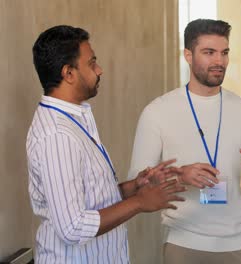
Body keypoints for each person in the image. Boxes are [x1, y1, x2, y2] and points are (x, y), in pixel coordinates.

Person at [27, 25, 186, 263]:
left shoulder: (72, 120)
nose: (99, 70)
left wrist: (134, 187)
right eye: (91, 63)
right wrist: (140, 202)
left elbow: (88, 201)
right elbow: (73, 227)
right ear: (68, 73)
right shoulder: (57, 135)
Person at [128, 19, 241, 264]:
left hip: (239, 244)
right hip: (183, 244)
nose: (219, 61)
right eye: (209, 52)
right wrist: (179, 177)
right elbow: (137, 182)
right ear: (188, 55)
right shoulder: (157, 112)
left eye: (224, 53)